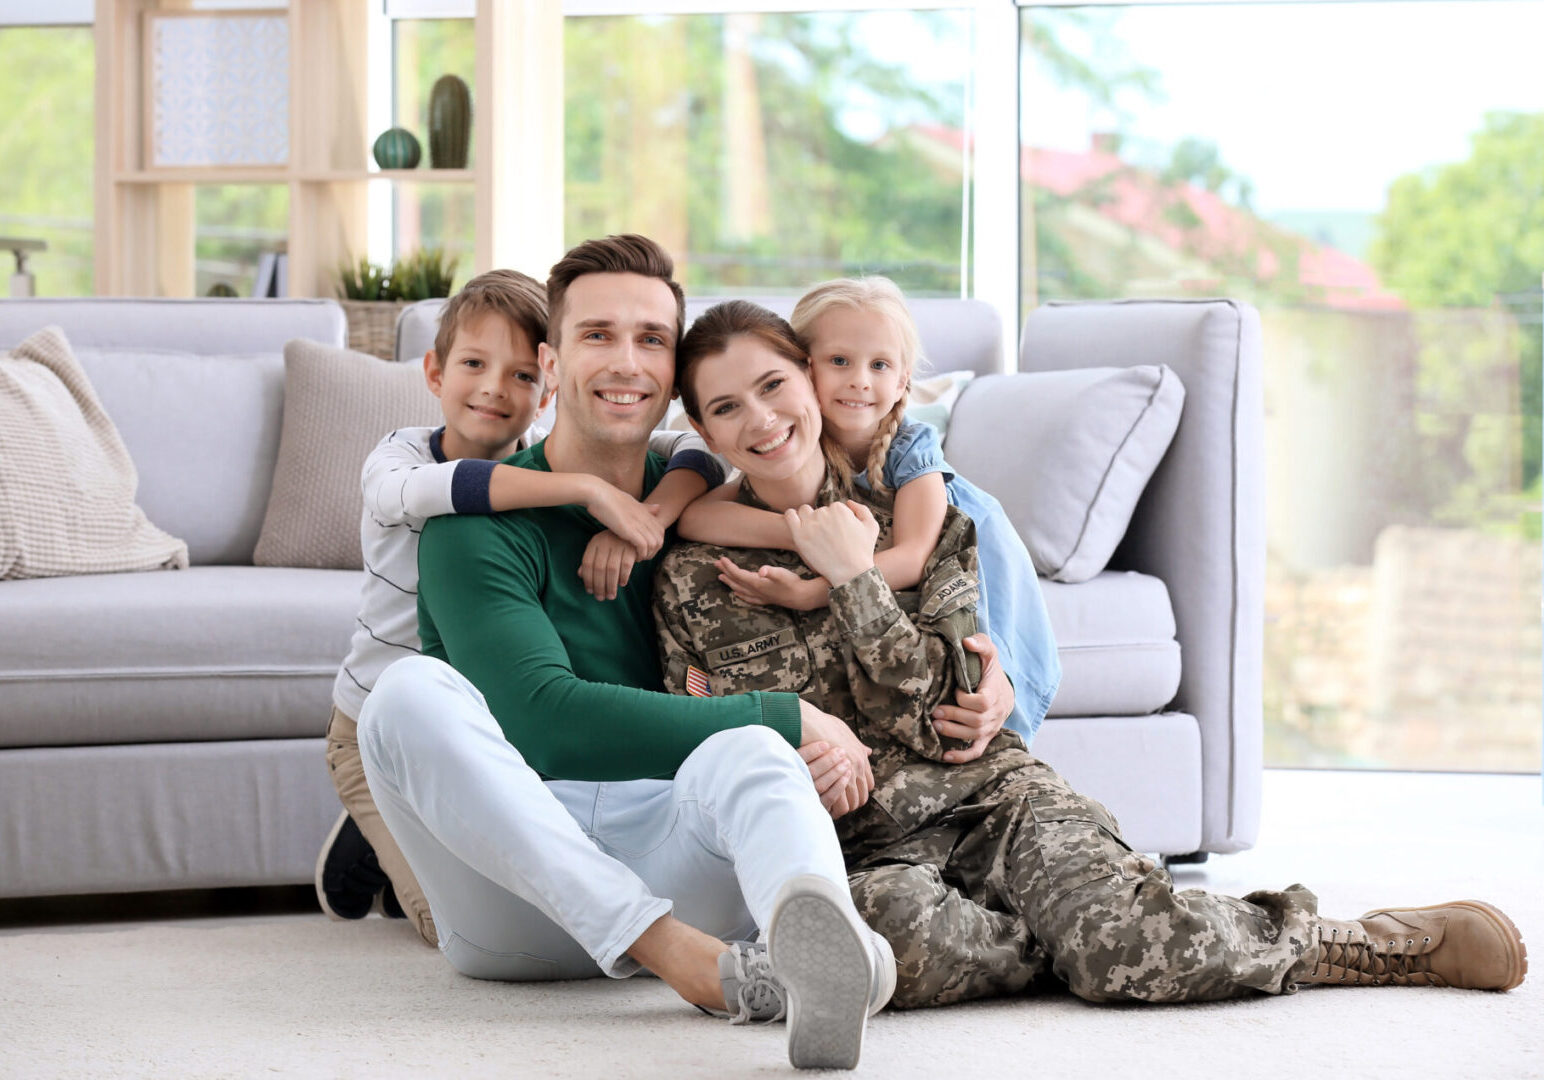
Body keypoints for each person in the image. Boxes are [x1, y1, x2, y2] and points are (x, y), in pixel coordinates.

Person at [654, 298, 1528, 1010]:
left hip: (990, 794)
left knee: (1132, 959)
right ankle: (1085, 929)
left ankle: (1357, 941)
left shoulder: (924, 516)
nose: (762, 419)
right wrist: (795, 762)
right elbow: (704, 736)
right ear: (702, 428)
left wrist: (853, 582)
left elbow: (942, 705)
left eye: (774, 385)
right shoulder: (691, 574)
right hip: (871, 848)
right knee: (884, 958)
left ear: (810, 380)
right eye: (727, 407)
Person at [354, 236, 1036, 1070]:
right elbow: (544, 724)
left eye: (650, 340)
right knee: (407, 693)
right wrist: (793, 717)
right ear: (552, 360)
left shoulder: (700, 493)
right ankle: (678, 958)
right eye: (598, 335)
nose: (626, 362)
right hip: (514, 900)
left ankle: (823, 951)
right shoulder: (472, 528)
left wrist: (984, 665)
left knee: (750, 749)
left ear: (676, 381)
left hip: (672, 844)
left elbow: (894, 563)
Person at [316, 268, 726, 947]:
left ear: (546, 384)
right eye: (474, 364)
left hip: (477, 726)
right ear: (433, 372)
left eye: (520, 377)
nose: (494, 390)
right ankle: (379, 835)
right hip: (376, 727)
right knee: (449, 921)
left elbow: (696, 453)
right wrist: (590, 492)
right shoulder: (399, 459)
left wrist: (647, 517)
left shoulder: (527, 461)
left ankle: (407, 836)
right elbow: (444, 490)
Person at [678, 276, 1059, 744]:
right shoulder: (781, 435)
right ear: (806, 366)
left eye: (879, 365)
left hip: (973, 543)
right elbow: (697, 517)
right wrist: (807, 533)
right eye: (840, 361)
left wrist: (813, 590)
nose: (859, 379)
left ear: (902, 381)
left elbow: (915, 555)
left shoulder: (910, 451)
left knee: (987, 667)